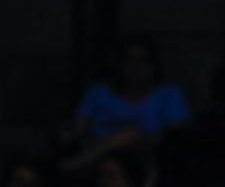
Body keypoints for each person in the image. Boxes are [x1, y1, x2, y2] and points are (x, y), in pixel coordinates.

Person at [63, 36, 189, 172]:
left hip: (147, 159)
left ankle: (77, 164)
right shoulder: (98, 92)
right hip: (98, 158)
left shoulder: (169, 95)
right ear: (119, 64)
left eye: (143, 60)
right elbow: (78, 128)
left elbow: (175, 135)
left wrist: (132, 140)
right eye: (129, 60)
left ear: (153, 66)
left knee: (133, 135)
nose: (135, 66)